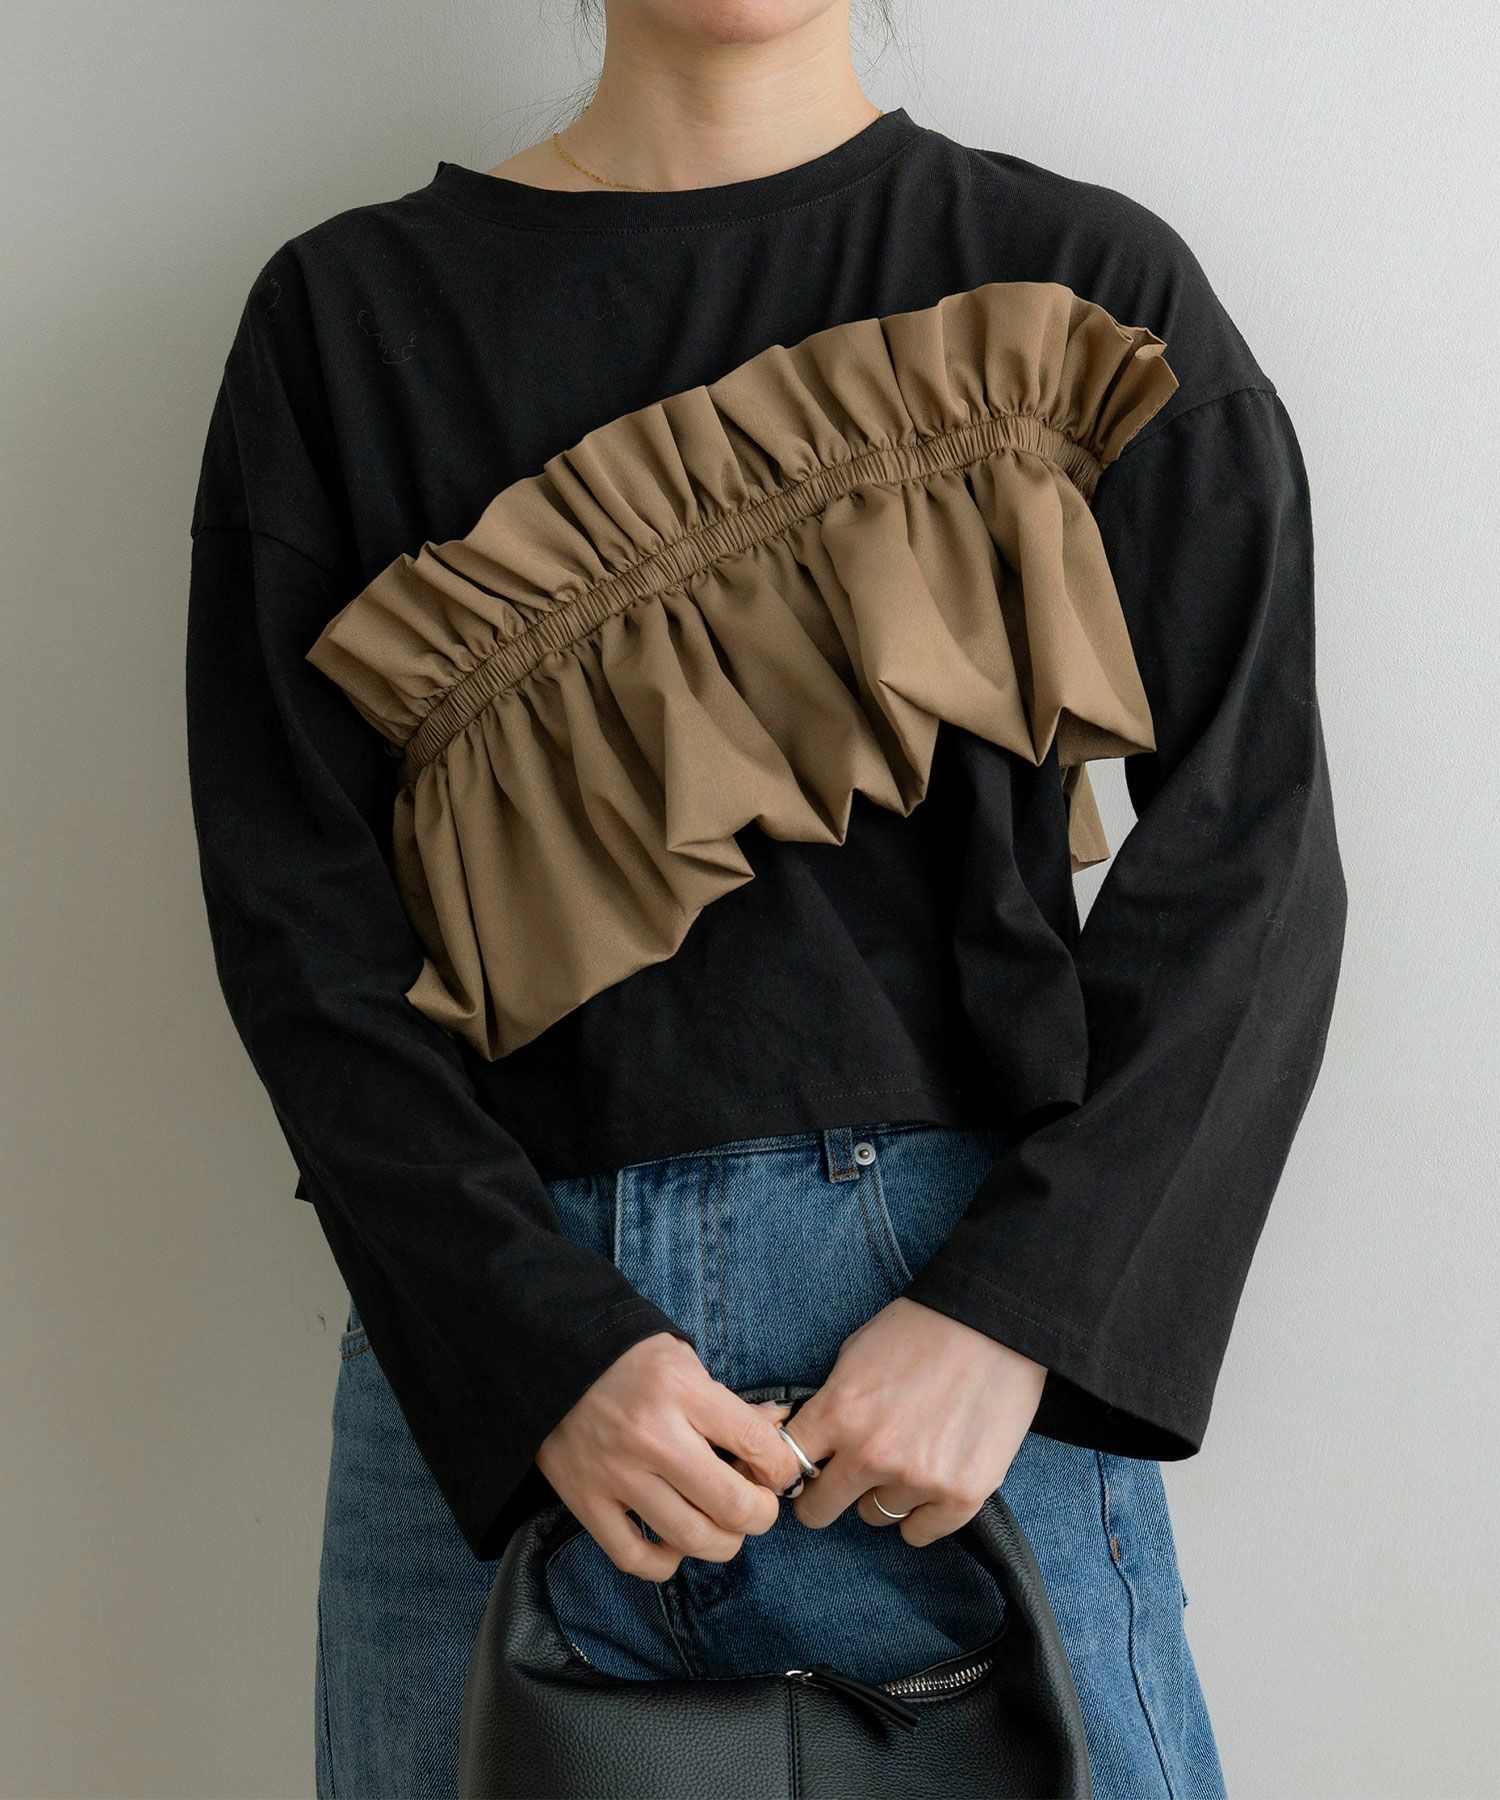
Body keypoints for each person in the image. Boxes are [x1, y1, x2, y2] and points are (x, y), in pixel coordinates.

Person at [183, 2, 1347, 1794]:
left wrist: (1020, 1313)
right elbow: (299, 925)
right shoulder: (344, 321)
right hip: (492, 1360)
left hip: (947, 1362)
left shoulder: (1079, 286)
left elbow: (1256, 853)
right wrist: (535, 1354)